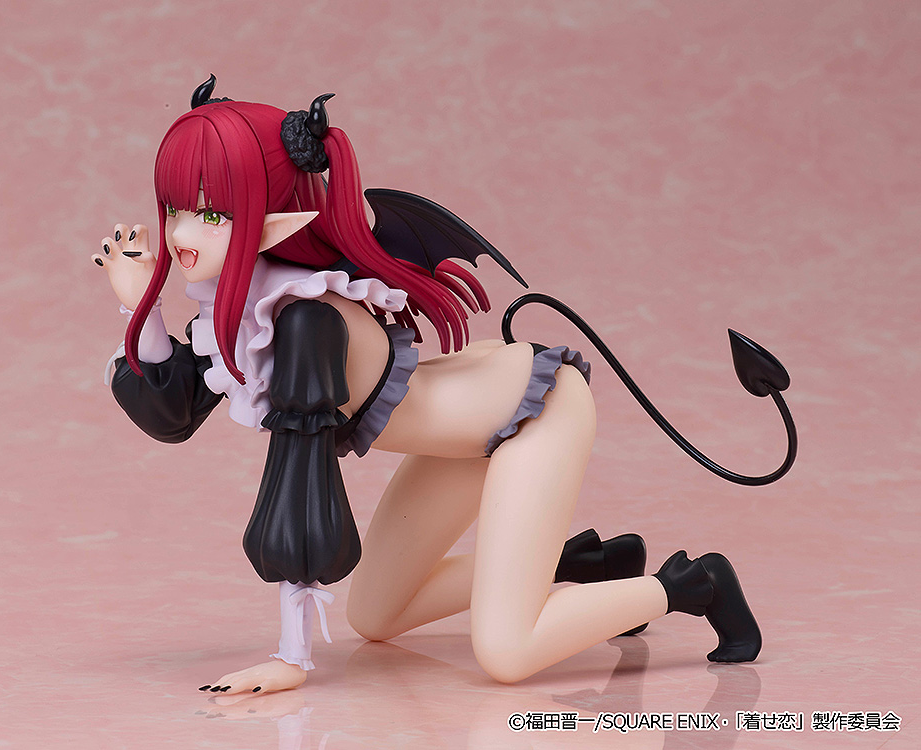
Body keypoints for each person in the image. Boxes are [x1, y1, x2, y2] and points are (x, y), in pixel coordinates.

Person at [93, 77, 761, 695]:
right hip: (459, 438)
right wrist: (138, 307)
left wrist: (292, 658)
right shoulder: (241, 307)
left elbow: (299, 480)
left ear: (277, 219)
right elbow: (175, 413)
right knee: (375, 616)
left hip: (535, 412)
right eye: (176, 208)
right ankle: (585, 564)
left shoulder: (304, 319)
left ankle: (692, 584)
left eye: (212, 214)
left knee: (506, 653)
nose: (180, 233)